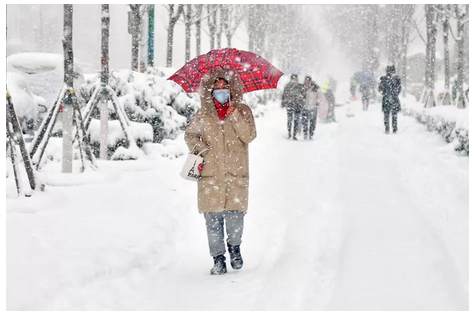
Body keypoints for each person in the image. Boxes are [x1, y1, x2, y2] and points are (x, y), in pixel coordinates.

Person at [184, 66, 257, 275]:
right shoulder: (203, 114)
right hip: (210, 174)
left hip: (236, 172)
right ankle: (218, 259)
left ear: (232, 89)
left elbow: (249, 136)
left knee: (235, 215)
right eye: (216, 87)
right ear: (210, 90)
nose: (221, 90)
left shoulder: (243, 111)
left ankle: (235, 249)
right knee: (212, 219)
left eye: (225, 87)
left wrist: (233, 114)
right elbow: (190, 135)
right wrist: (202, 149)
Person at [378, 65, 402, 134]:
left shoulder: (383, 79)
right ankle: (394, 128)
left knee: (386, 115)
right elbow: (399, 89)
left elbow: (380, 89)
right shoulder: (397, 79)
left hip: (386, 99)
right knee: (394, 114)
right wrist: (395, 94)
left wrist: (385, 93)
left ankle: (387, 129)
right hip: (394, 99)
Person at [281, 74, 304, 140]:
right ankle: (289, 133)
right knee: (290, 120)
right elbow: (284, 95)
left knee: (296, 120)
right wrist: (283, 103)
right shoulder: (288, 86)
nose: (297, 80)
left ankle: (294, 134)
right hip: (290, 105)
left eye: (297, 79)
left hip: (297, 105)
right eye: (295, 79)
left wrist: (302, 100)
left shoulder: (300, 86)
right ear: (292, 79)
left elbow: (304, 94)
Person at [301, 76, 320, 140]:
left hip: (313, 107)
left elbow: (319, 96)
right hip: (305, 107)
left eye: (309, 81)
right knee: (304, 122)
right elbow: (300, 97)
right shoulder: (302, 88)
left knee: (313, 122)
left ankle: (311, 133)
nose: (308, 82)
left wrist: (317, 102)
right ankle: (305, 133)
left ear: (311, 81)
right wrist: (303, 95)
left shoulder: (315, 88)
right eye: (306, 81)